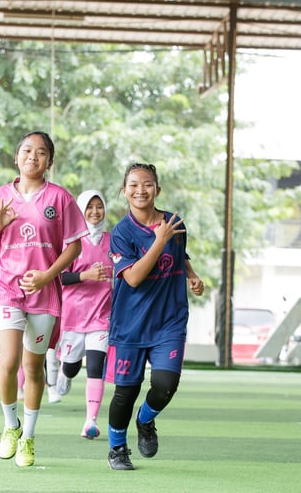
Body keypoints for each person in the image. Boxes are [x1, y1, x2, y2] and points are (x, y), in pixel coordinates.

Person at [0, 131, 88, 467]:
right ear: (17, 157)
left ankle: (28, 436)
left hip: (43, 290)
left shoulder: (60, 198)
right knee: (9, 362)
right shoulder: (0, 196)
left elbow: (74, 246)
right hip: (5, 288)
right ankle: (10, 426)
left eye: (41, 152)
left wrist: (46, 275)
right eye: (27, 150)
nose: (32, 157)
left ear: (49, 161)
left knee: (33, 367)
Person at [105, 163, 204, 471]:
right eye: (133, 185)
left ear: (157, 189)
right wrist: (158, 241)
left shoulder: (175, 224)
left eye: (147, 184)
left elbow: (180, 254)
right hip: (131, 324)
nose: (141, 190)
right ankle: (117, 449)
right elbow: (133, 278)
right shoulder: (121, 233)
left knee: (165, 384)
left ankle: (145, 420)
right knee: (126, 391)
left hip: (169, 321)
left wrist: (192, 275)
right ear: (124, 191)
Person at [55, 189, 113, 439]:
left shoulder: (113, 241)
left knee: (96, 366)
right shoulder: (72, 243)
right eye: (89, 207)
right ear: (80, 211)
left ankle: (91, 421)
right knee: (72, 367)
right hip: (74, 317)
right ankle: (65, 372)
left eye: (99, 206)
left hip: (102, 315)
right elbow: (58, 277)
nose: (95, 212)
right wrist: (85, 275)